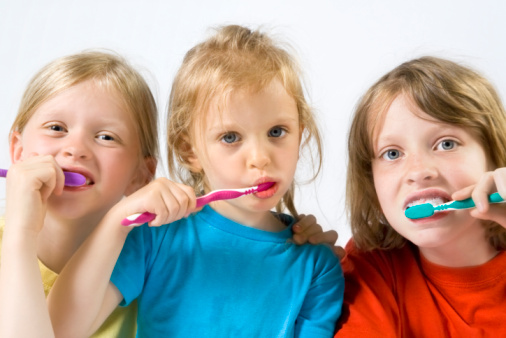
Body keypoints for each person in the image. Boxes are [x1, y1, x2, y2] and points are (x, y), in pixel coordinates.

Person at [48, 25, 344, 337]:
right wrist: (117, 221)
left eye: (276, 132)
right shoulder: (156, 237)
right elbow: (59, 330)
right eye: (230, 137)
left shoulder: (318, 267)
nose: (260, 157)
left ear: (301, 135)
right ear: (190, 150)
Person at [335, 56, 506, 337]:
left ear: (492, 155)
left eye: (446, 144)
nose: (419, 172)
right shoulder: (374, 268)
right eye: (392, 153)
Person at [0, 50, 159, 337]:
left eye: (106, 137)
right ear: (18, 151)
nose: (76, 148)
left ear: (140, 175)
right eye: (56, 128)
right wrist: (19, 231)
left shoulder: (149, 261)